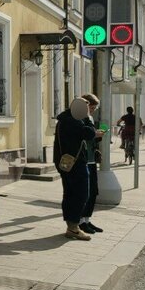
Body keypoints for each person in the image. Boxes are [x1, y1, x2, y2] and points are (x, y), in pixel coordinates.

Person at [53, 98, 103, 240]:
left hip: (65, 162)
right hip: (75, 163)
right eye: (86, 109)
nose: (88, 111)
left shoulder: (64, 119)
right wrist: (88, 119)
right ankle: (74, 227)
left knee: (69, 194)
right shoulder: (74, 121)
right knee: (81, 194)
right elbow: (89, 133)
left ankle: (71, 226)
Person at [79, 93, 104, 234]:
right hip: (83, 160)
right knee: (85, 192)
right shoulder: (79, 118)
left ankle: (87, 220)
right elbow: (83, 135)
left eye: (95, 108)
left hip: (91, 159)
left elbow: (91, 137)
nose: (93, 111)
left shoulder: (90, 118)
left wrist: (98, 136)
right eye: (92, 108)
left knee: (93, 191)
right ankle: (80, 222)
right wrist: (94, 134)